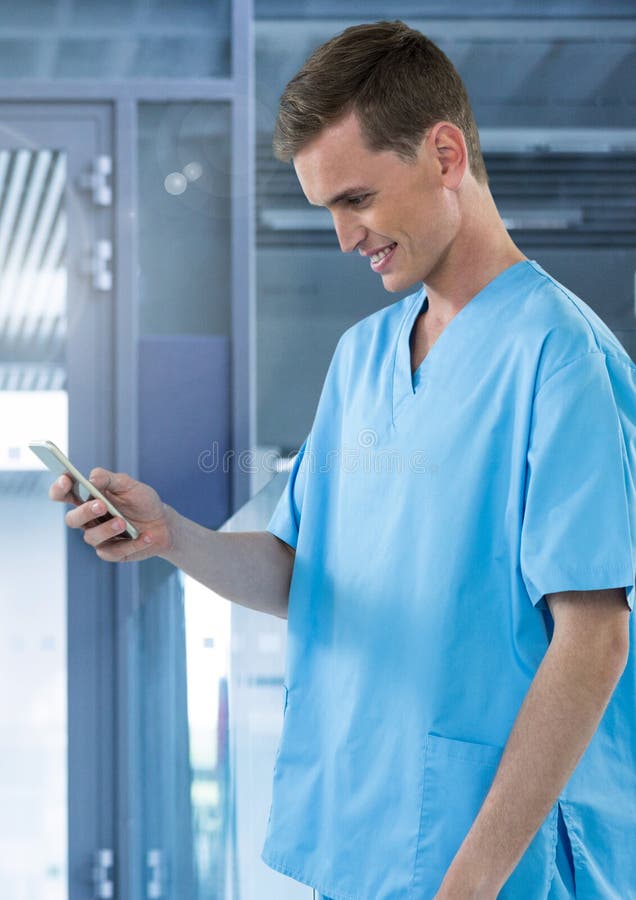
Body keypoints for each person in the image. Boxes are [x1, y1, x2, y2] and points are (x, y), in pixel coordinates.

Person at [50, 20, 635, 900]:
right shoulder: (362, 357)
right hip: (363, 844)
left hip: (492, 867)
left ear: (445, 155)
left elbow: (595, 640)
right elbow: (301, 571)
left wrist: (467, 885)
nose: (342, 234)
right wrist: (171, 534)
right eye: (326, 207)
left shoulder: (558, 358)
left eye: (356, 197)